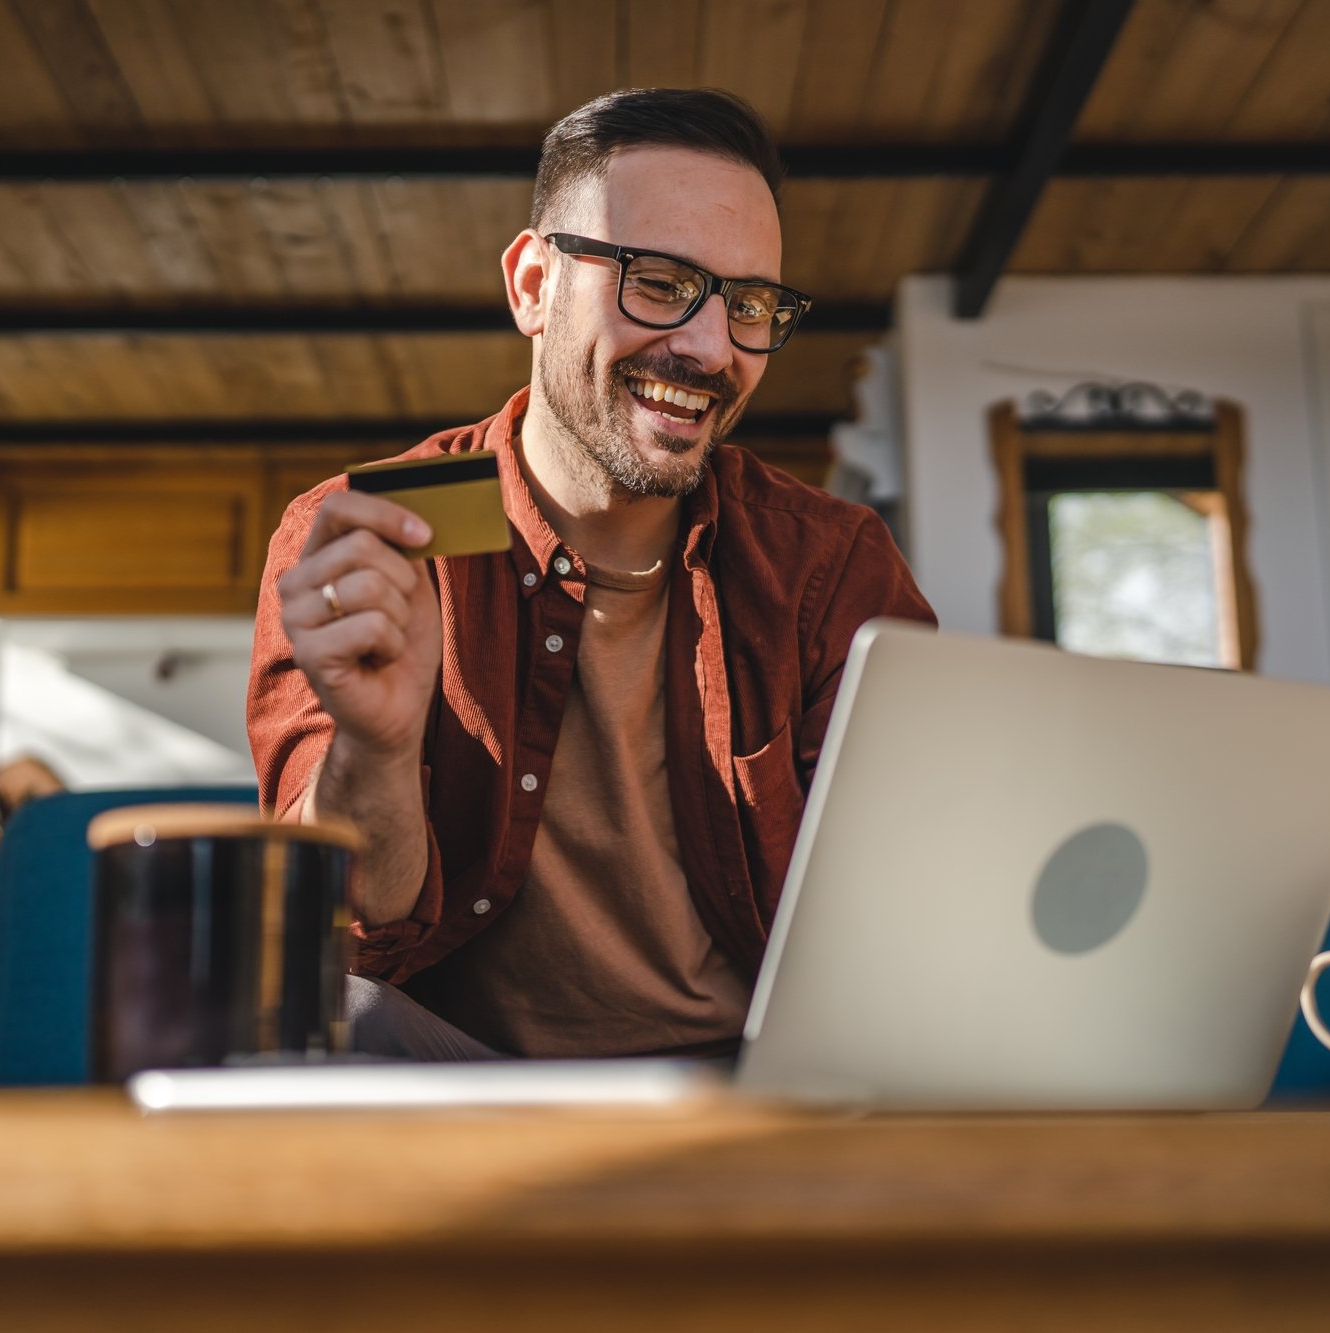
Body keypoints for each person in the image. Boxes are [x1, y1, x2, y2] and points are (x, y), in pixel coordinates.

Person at [248, 87, 935, 1062]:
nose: (707, 348)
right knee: (332, 1018)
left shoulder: (826, 566)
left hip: (752, 1081)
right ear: (532, 285)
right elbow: (338, 936)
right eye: (657, 281)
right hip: (469, 1080)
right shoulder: (369, 541)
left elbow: (906, 908)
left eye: (747, 305)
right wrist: (378, 746)